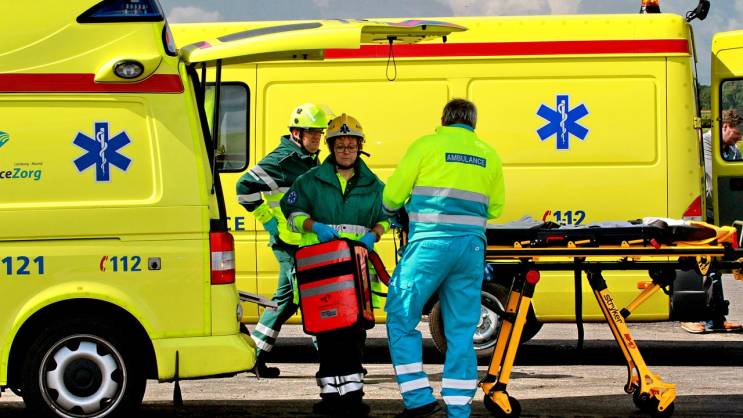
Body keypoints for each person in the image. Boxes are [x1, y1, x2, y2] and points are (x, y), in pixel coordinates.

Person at [383, 99, 505, 418]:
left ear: (443, 120)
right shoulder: (489, 154)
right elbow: (496, 208)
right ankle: (459, 408)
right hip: (471, 249)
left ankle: (417, 398)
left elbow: (392, 197)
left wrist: (398, 208)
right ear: (473, 123)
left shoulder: (425, 146)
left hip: (429, 246)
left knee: (400, 314)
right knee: (462, 329)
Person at [281, 113, 389, 417]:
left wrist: (374, 235)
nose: (346, 151)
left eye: (351, 146)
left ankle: (353, 396)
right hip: (323, 271)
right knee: (326, 334)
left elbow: (387, 217)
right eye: (340, 146)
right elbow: (292, 214)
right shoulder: (309, 181)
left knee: (354, 333)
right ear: (330, 148)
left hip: (356, 270)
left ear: (360, 148)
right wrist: (314, 226)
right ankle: (330, 395)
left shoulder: (375, 186)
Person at [235, 103, 330, 377]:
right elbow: (243, 187)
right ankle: (331, 362)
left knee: (286, 301)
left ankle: (254, 357)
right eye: (311, 132)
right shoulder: (282, 160)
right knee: (312, 297)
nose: (317, 138)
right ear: (296, 133)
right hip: (289, 244)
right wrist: (268, 220)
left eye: (319, 133)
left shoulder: (308, 159)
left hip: (303, 242)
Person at [681, 108, 742, 334]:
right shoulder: (705, 143)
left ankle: (715, 318)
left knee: (713, 264)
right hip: (698, 212)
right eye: (736, 133)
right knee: (701, 263)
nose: (739, 138)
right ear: (725, 126)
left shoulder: (731, 150)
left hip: (716, 213)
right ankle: (692, 316)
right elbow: (714, 174)